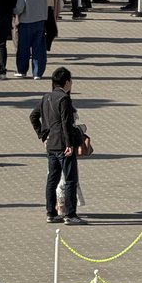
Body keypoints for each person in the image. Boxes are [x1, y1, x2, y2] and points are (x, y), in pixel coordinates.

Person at [29, 66, 86, 225]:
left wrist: (42, 135)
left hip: (51, 145)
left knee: (52, 179)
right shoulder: (64, 99)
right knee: (70, 180)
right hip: (63, 145)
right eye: (71, 81)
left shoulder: (46, 97)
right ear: (67, 82)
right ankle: (70, 214)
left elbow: (33, 116)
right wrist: (69, 144)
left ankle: (51, 212)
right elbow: (66, 123)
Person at [14, 0, 49, 80]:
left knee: (23, 47)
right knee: (38, 48)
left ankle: (22, 70)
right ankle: (37, 72)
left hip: (26, 22)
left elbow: (19, 8)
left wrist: (13, 12)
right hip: (40, 22)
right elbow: (45, 5)